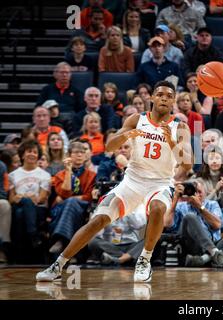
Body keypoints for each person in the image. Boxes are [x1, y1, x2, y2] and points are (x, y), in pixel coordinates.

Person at [35, 80, 193, 283]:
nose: (164, 98)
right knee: (98, 220)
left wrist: (171, 142)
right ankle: (58, 264)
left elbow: (188, 165)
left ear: (173, 102)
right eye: (160, 94)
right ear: (152, 98)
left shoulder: (180, 127)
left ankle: (144, 259)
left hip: (160, 183)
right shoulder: (137, 119)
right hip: (132, 182)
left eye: (169, 96)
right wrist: (127, 134)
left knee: (156, 208)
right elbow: (109, 147)